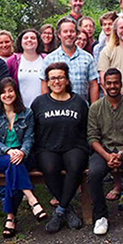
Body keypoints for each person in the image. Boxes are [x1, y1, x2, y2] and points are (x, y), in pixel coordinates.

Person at [32, 62, 90, 233]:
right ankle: (68, 208)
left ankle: (60, 211)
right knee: (50, 167)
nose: (56, 81)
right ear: (48, 82)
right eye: (53, 78)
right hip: (46, 147)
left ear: (67, 80)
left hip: (74, 145)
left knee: (75, 166)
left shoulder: (79, 101)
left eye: (60, 77)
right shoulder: (39, 102)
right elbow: (33, 128)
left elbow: (86, 127)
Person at [87, 69, 123, 235]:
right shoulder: (96, 107)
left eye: (116, 82)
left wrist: (121, 154)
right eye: (109, 83)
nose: (112, 86)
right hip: (103, 150)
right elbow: (92, 137)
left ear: (121, 84)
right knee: (94, 173)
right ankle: (100, 216)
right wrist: (107, 155)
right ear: (104, 85)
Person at [0, 78, 48, 238]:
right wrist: (8, 150)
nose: (7, 95)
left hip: (23, 156)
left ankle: (10, 218)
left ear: (16, 93)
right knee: (12, 163)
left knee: (13, 168)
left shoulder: (27, 113)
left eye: (10, 91)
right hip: (1, 156)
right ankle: (32, 199)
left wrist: (22, 151)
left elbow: (29, 138)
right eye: (4, 92)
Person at [41, 17, 100, 103]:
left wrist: (94, 110)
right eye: (65, 31)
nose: (69, 34)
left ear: (76, 34)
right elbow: (44, 85)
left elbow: (93, 85)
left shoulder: (88, 58)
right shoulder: (49, 59)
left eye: (72, 31)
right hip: (56, 110)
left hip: (82, 109)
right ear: (59, 35)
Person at [6, 28, 46, 108]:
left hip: (42, 108)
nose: (29, 40)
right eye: (26, 38)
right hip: (20, 109)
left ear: (38, 42)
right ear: (20, 42)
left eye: (33, 38)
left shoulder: (46, 59)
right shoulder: (12, 61)